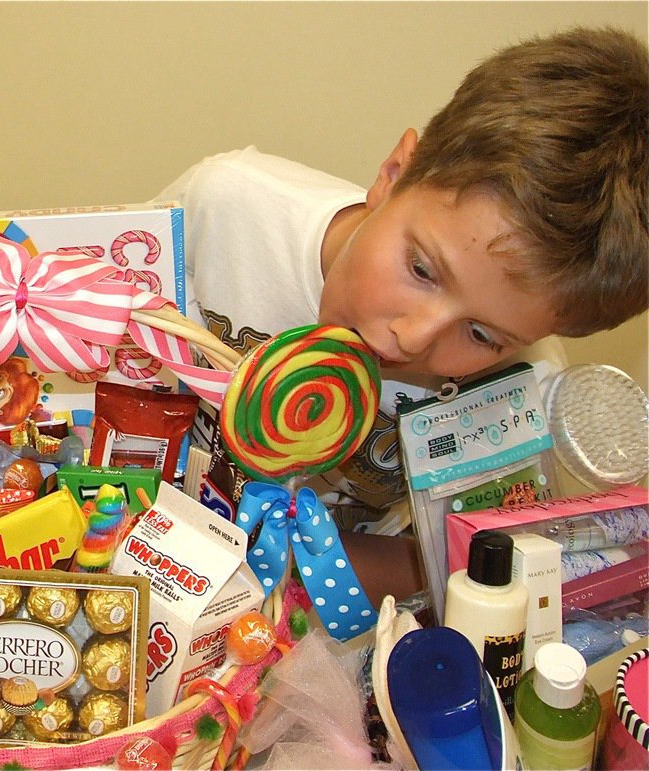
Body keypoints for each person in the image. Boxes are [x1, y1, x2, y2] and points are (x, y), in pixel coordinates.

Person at [157, 27, 648, 531]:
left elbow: (457, 565)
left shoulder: (517, 395)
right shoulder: (222, 208)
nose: (413, 336)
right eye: (421, 269)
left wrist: (281, 556)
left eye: (481, 335)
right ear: (393, 175)